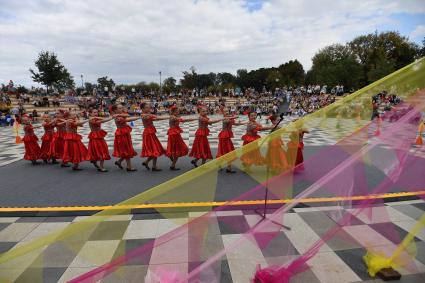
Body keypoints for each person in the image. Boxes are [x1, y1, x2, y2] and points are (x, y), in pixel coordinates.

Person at [140, 102, 169, 171]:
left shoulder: (148, 115)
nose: (149, 108)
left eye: (149, 107)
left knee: (155, 149)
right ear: (142, 109)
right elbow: (152, 117)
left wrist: (165, 117)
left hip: (151, 133)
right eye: (146, 107)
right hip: (148, 134)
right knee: (155, 149)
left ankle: (149, 163)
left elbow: (155, 119)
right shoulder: (143, 115)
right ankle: (152, 165)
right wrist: (168, 116)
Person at [166, 106, 197, 170]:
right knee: (178, 149)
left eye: (178, 111)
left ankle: (172, 162)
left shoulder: (175, 117)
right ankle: (172, 164)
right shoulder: (172, 117)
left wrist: (188, 120)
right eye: (177, 111)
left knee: (176, 149)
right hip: (174, 134)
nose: (178, 112)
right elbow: (181, 120)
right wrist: (190, 119)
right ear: (173, 112)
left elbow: (181, 120)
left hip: (175, 133)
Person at [111, 104, 139, 172]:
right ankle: (129, 167)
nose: (122, 109)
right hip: (121, 134)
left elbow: (127, 116)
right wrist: (137, 117)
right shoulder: (118, 117)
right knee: (126, 149)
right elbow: (128, 118)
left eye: (122, 108)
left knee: (126, 149)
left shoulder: (119, 115)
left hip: (124, 133)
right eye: (120, 108)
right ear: (115, 110)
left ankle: (119, 162)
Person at [216, 107, 243, 173]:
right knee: (225, 151)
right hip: (224, 137)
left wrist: (242, 123)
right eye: (225, 111)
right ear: (223, 113)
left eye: (228, 111)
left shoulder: (229, 118)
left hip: (227, 137)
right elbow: (228, 120)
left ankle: (228, 167)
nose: (227, 112)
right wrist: (234, 117)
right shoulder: (224, 119)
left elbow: (234, 123)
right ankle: (222, 166)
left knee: (229, 151)